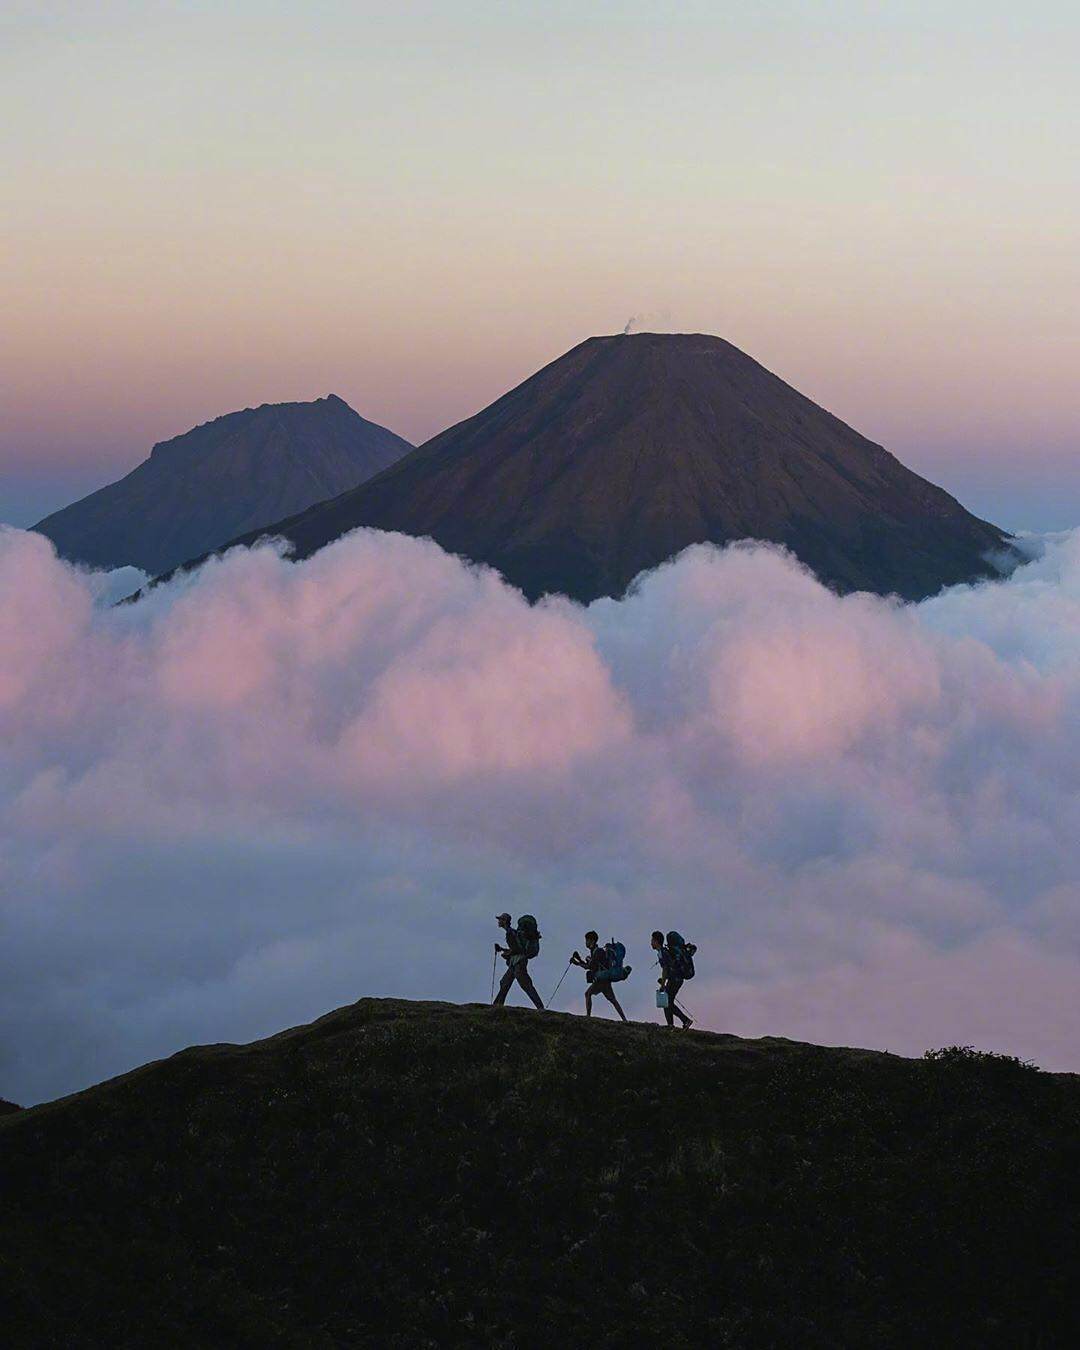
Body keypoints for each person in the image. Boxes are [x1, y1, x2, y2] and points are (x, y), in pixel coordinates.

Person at [569, 931, 628, 1022]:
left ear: (592, 941)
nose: (586, 942)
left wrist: (577, 963)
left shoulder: (597, 951)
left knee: (588, 994)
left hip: (601, 980)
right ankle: (624, 1019)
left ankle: (588, 1017)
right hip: (605, 979)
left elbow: (589, 966)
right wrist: (579, 961)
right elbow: (592, 966)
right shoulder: (596, 951)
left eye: (587, 940)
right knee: (613, 1000)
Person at [493, 913, 544, 1010]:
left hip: (519, 963)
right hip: (515, 963)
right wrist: (503, 949)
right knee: (504, 982)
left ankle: (540, 1008)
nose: (499, 921)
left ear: (505, 921)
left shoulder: (510, 933)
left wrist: (506, 953)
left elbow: (517, 950)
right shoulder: (513, 932)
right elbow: (516, 949)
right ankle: (497, 1006)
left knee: (526, 985)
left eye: (500, 919)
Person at [651, 930, 693, 1029]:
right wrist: (664, 980)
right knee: (667, 1002)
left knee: (667, 1003)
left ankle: (684, 1021)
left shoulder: (662, 952)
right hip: (676, 979)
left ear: (657, 941)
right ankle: (671, 1025)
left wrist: (662, 985)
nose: (651, 943)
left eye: (652, 940)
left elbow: (666, 969)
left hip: (675, 980)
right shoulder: (664, 952)